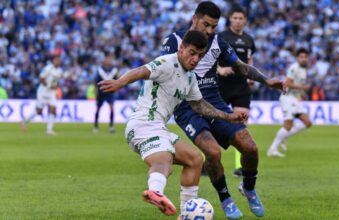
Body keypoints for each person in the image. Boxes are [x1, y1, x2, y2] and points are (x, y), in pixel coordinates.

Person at [98, 30, 247, 217]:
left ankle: (185, 214)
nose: (195, 59)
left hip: (158, 127)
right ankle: (156, 192)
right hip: (143, 124)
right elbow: (141, 71)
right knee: (164, 159)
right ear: (182, 48)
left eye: (199, 56)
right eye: (192, 53)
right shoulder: (167, 62)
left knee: (194, 159)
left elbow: (199, 105)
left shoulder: (191, 77)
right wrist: (120, 83)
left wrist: (227, 116)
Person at [161, 1, 285, 219]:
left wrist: (266, 80)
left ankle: (249, 188)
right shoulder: (175, 41)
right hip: (187, 108)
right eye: (206, 25)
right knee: (212, 151)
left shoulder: (218, 42)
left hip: (215, 101)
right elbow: (161, 71)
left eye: (213, 27)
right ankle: (226, 198)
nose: (209, 31)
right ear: (194, 19)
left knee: (250, 147)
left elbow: (240, 66)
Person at [217, 6, 256, 177]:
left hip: (241, 86)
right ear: (230, 19)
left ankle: (240, 166)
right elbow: (210, 58)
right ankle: (208, 162)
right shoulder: (221, 37)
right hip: (222, 85)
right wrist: (220, 69)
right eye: (235, 18)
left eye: (241, 18)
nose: (238, 21)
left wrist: (251, 75)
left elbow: (249, 59)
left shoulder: (249, 40)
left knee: (241, 125)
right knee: (212, 124)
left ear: (245, 20)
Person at [267, 48, 312, 157]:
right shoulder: (294, 68)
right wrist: (302, 87)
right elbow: (287, 83)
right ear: (297, 58)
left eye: (305, 57)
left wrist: (302, 93)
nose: (304, 59)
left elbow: (296, 85)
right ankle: (272, 150)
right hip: (287, 98)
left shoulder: (304, 69)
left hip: (295, 99)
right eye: (301, 57)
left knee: (308, 123)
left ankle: (283, 137)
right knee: (287, 125)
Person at [21, 55, 63, 135]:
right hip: (43, 91)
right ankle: (24, 122)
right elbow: (41, 78)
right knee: (39, 111)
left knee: (53, 110)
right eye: (57, 60)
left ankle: (49, 130)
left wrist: (55, 86)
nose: (58, 62)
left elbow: (56, 81)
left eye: (59, 60)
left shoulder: (60, 71)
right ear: (53, 60)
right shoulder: (48, 68)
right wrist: (49, 86)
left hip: (52, 93)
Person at [94, 54, 120, 133]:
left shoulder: (114, 70)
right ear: (104, 61)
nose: (109, 61)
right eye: (107, 59)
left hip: (110, 91)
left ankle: (111, 126)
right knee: (98, 109)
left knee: (111, 108)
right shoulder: (100, 69)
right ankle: (96, 126)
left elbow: (118, 80)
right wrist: (96, 91)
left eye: (110, 59)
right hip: (101, 91)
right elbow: (96, 81)